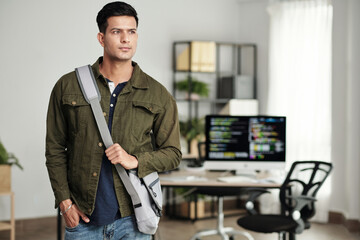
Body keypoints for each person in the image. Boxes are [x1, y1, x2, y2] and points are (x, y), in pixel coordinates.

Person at [45, 2, 182, 239]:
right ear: (101, 37)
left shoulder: (157, 94)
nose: (125, 39)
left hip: (134, 218)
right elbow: (55, 148)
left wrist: (135, 160)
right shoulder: (68, 86)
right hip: (84, 219)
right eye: (116, 32)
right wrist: (65, 202)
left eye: (131, 31)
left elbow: (173, 153)